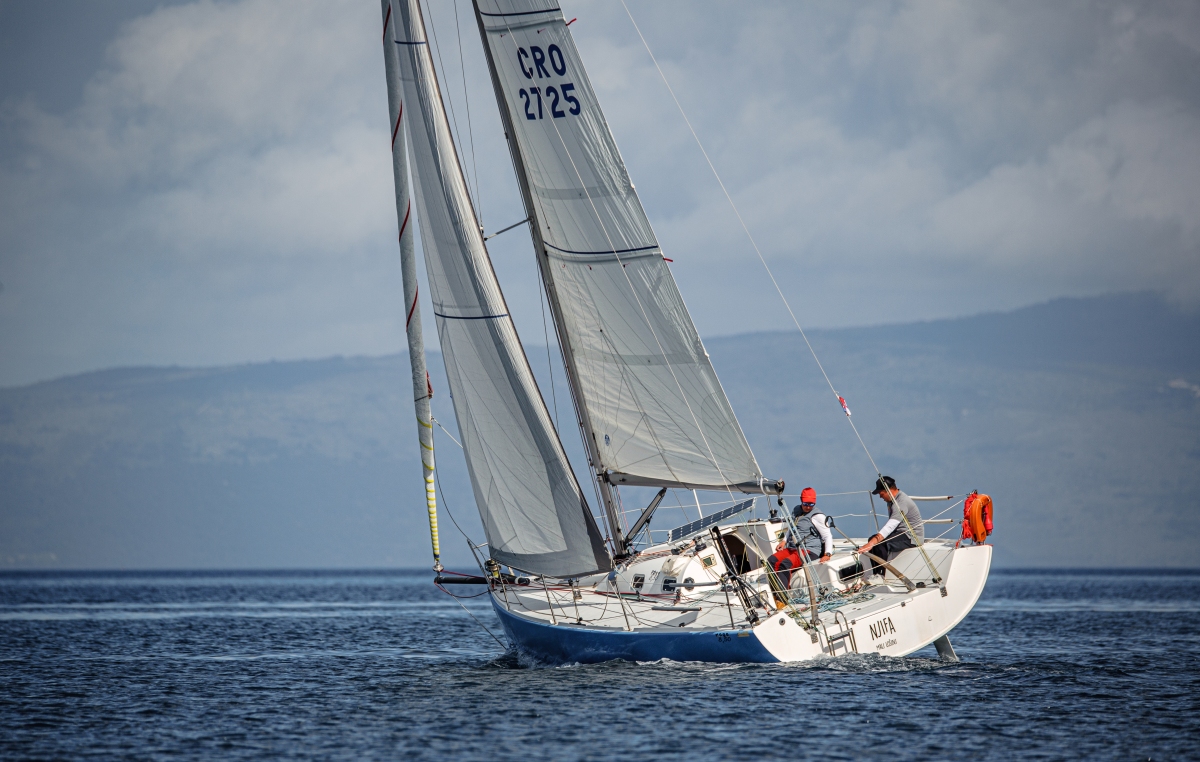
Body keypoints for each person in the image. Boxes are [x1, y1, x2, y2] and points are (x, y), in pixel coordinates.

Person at [856, 476, 924, 581]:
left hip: (912, 537)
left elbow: (890, 526)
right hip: (900, 533)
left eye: (881, 493)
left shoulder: (900, 502)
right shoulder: (891, 500)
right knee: (872, 539)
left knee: (879, 544)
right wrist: (871, 541)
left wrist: (871, 544)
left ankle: (881, 576)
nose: (880, 496)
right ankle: (875, 574)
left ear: (888, 490)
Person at [766, 487, 833, 592]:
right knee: (771, 561)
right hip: (793, 548)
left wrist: (827, 554)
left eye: (811, 504)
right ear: (801, 500)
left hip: (809, 550)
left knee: (785, 564)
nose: (808, 507)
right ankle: (775, 592)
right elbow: (792, 528)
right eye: (805, 504)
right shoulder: (796, 510)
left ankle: (782, 596)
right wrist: (784, 541)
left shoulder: (818, 516)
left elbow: (827, 536)